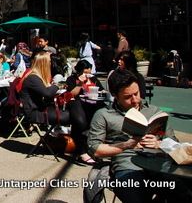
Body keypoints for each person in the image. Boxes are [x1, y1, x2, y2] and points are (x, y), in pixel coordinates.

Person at [88, 69, 184, 202]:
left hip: (158, 166)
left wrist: (159, 144)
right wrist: (126, 145)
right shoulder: (104, 114)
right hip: (127, 167)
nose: (135, 100)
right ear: (115, 95)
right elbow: (95, 150)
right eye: (127, 97)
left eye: (136, 93)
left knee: (183, 191)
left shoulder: (154, 111)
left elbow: (175, 143)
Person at [20, 51, 90, 164]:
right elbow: (47, 93)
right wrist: (58, 85)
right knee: (76, 116)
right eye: (49, 61)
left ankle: (81, 149)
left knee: (75, 109)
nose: (51, 64)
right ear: (43, 63)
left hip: (42, 109)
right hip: (36, 113)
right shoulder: (33, 78)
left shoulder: (37, 77)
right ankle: (81, 150)